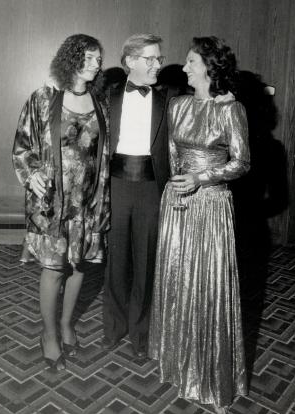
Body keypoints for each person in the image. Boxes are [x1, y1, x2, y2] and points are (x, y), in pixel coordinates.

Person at [148, 36, 249, 414]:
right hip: (177, 203)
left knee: (207, 285)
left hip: (211, 205)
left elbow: (241, 163)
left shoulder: (231, 110)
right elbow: (173, 156)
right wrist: (177, 191)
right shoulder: (177, 105)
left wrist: (202, 180)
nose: (185, 67)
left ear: (208, 67)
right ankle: (178, 363)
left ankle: (208, 373)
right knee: (178, 280)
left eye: (191, 61)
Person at [13, 34, 110, 371]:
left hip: (86, 198)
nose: (96, 64)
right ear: (70, 59)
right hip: (51, 200)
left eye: (98, 58)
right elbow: (22, 147)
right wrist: (31, 174)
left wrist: (101, 200)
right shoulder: (43, 98)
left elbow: (104, 156)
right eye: (88, 57)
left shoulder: (101, 104)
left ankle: (67, 324)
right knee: (53, 269)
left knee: (79, 265)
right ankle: (49, 333)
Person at [102, 33, 175, 358]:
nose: (157, 64)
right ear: (130, 61)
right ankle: (114, 327)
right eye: (151, 59)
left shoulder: (169, 98)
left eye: (159, 58)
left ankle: (141, 333)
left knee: (146, 263)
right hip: (115, 185)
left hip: (150, 188)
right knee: (115, 260)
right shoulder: (108, 96)